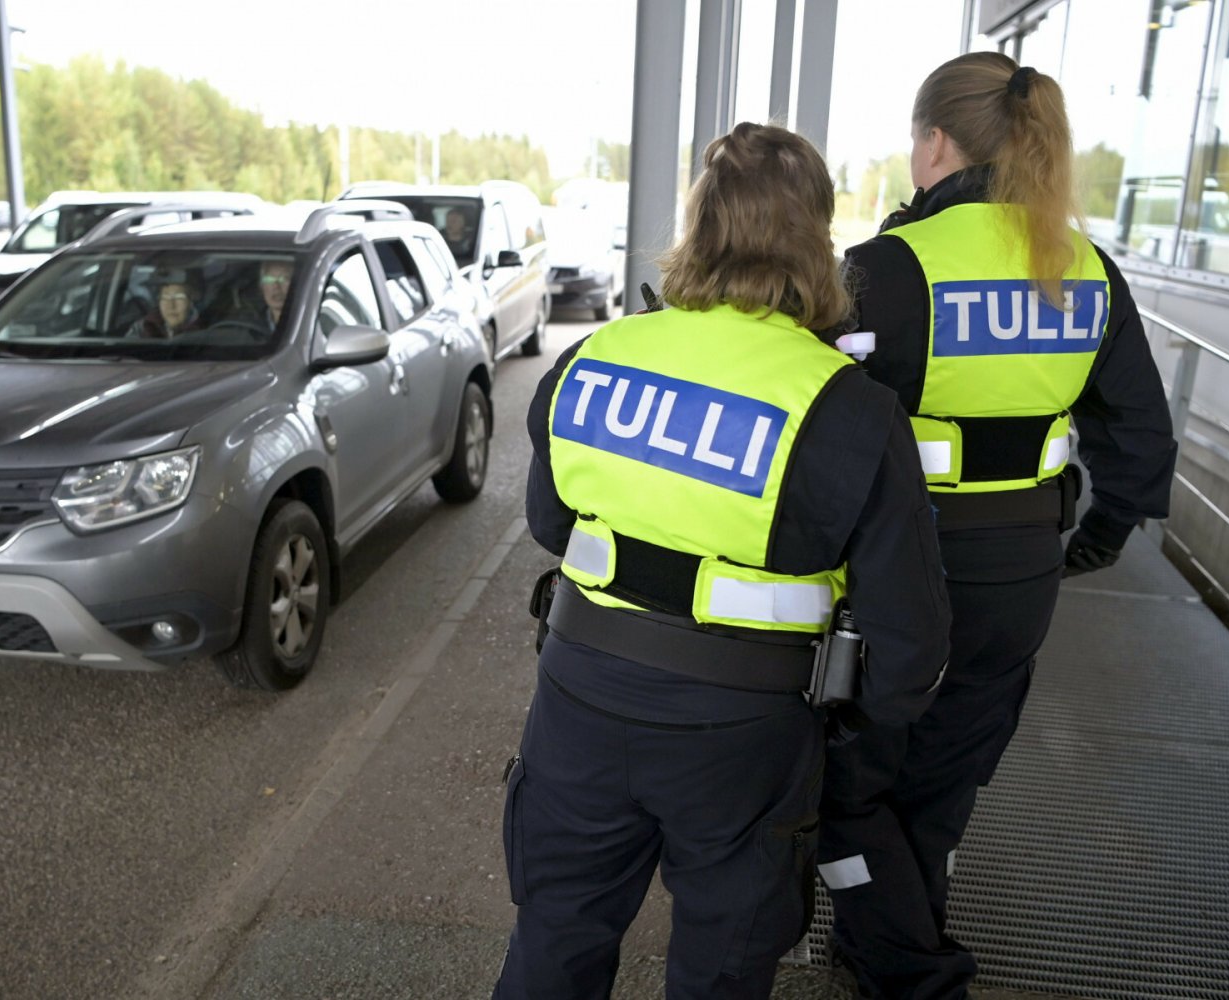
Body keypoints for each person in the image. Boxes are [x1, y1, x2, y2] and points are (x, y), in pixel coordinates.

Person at [493, 122, 951, 1000]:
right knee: (723, 964)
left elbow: (554, 524)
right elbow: (909, 652)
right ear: (819, 245)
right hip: (748, 734)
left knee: (554, 938)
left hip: (580, 698)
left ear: (695, 228)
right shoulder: (849, 409)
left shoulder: (594, 357)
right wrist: (841, 734)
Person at [819, 53, 1177, 1000]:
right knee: (945, 775)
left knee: (847, 785)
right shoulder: (1085, 269)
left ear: (935, 141)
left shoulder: (891, 267)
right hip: (1022, 572)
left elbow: (812, 417)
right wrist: (1096, 537)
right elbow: (1139, 430)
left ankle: (909, 968)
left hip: (899, 571)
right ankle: (895, 929)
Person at [130, 274, 201, 339]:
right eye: (165, 297)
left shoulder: (206, 330)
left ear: (190, 301)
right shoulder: (142, 327)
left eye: (179, 297)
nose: (171, 305)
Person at [258, 259, 295, 331]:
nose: (276, 286)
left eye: (284, 279)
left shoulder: (309, 322)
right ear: (262, 287)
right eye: (269, 279)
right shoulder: (248, 326)